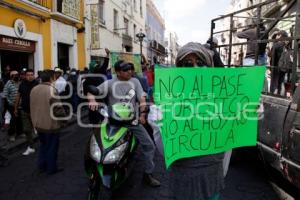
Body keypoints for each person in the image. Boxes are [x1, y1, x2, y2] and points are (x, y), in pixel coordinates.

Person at [88, 60, 161, 187]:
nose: (129, 72)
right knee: (96, 143)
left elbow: (142, 98)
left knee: (149, 146)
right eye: (125, 70)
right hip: (112, 121)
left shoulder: (135, 81)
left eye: (130, 69)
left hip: (132, 121)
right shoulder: (110, 83)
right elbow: (92, 92)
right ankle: (94, 170)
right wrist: (92, 100)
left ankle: (148, 174)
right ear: (117, 72)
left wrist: (143, 112)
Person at [171, 42, 224, 200]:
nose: (195, 68)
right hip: (184, 176)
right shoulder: (169, 98)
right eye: (188, 64)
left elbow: (232, 135)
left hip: (212, 174)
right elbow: (164, 146)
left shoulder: (223, 95)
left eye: (200, 63)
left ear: (208, 65)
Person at [30, 70, 66, 175]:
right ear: (51, 78)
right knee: (52, 147)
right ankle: (51, 168)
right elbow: (58, 109)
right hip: (50, 125)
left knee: (43, 145)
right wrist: (64, 120)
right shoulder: (52, 90)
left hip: (38, 124)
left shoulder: (34, 89)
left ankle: (42, 165)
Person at [14, 69, 39, 155]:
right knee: (26, 129)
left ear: (34, 75)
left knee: (39, 128)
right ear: (25, 75)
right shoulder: (22, 84)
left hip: (35, 111)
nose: (30, 76)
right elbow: (18, 96)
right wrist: (15, 108)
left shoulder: (37, 84)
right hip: (24, 110)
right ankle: (31, 146)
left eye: (31, 74)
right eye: (28, 75)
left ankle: (43, 143)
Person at [83, 48, 110, 125]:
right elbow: (86, 91)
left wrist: (107, 55)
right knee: (98, 122)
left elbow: (104, 66)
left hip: (101, 102)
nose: (98, 68)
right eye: (96, 67)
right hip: (97, 102)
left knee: (101, 121)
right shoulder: (90, 78)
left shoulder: (97, 75)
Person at [3, 71, 22, 142]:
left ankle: (20, 133)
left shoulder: (20, 83)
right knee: (13, 120)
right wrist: (10, 103)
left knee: (19, 119)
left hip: (20, 105)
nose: (17, 76)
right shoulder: (8, 84)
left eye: (17, 74)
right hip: (11, 105)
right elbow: (5, 95)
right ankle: (11, 135)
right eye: (15, 75)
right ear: (11, 76)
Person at [270, 30, 289, 95]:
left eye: (277, 35)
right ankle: (281, 96)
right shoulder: (286, 45)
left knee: (274, 85)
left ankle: (273, 98)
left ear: (280, 35)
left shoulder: (276, 45)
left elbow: (271, 55)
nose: (276, 36)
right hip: (283, 67)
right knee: (281, 83)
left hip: (275, 67)